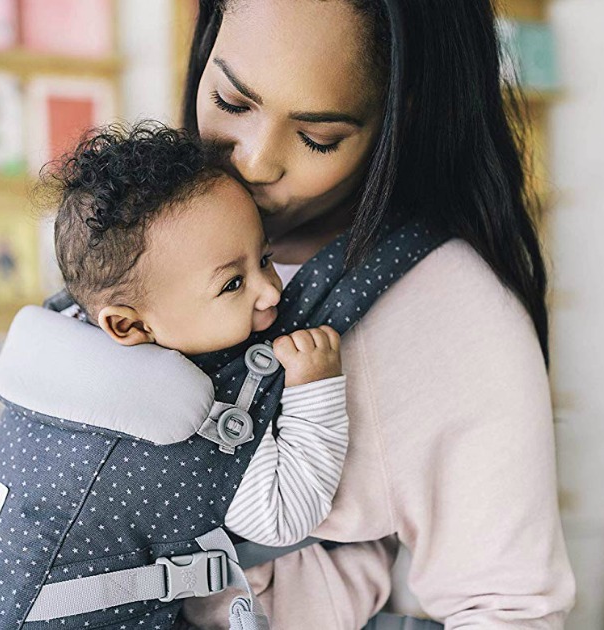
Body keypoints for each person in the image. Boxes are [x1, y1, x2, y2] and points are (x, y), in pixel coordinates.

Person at [178, 0, 575, 627]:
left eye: (319, 138)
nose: (253, 161)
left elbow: (507, 608)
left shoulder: (452, 310)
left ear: (401, 116)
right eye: (231, 102)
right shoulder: (151, 231)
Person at [52, 121, 352, 548]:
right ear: (129, 326)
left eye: (265, 258)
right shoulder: (183, 414)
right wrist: (314, 389)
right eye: (232, 283)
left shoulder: (71, 329)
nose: (270, 289)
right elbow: (285, 514)